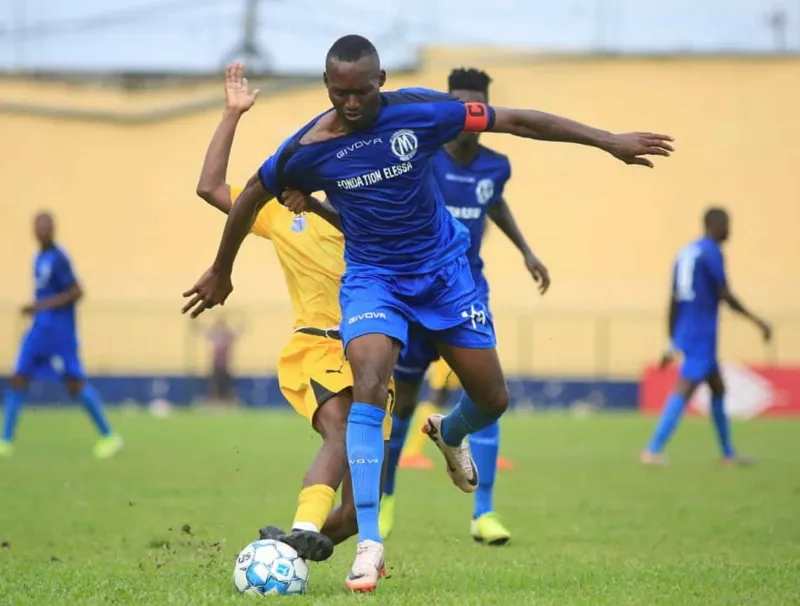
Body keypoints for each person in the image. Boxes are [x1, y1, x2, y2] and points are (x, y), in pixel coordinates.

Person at [182, 35, 673, 592]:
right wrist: (223, 270)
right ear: (326, 87)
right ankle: (369, 545)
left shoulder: (423, 114)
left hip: (444, 271)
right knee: (368, 384)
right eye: (339, 93)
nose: (350, 104)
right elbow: (243, 194)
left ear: (381, 81)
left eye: (361, 92)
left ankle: (448, 431)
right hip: (374, 281)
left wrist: (607, 140)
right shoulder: (307, 150)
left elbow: (515, 120)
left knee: (492, 399)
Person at [193, 62, 393, 563]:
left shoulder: (373, 208)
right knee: (341, 430)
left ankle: (284, 551)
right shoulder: (281, 212)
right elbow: (211, 187)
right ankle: (302, 527)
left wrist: (318, 207)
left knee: (357, 510)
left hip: (373, 359)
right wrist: (232, 114)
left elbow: (368, 238)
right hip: (318, 345)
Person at [379, 67, 550, 546]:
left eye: (472, 108)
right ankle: (386, 500)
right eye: (456, 106)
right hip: (414, 293)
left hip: (467, 292)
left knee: (488, 398)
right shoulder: (422, 156)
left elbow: (495, 203)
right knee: (404, 403)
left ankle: (484, 513)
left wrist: (526, 250)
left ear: (484, 111)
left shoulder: (496, 166)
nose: (465, 117)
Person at [642, 208, 771, 466]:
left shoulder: (685, 253)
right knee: (685, 387)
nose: (729, 231)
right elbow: (725, 294)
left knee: (717, 387)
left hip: (688, 329)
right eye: (726, 225)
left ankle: (728, 454)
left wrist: (673, 338)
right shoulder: (711, 252)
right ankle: (652, 450)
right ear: (715, 225)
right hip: (702, 331)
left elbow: (674, 299)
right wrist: (757, 321)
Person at [1, 213, 123, 458]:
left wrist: (40, 305)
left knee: (75, 384)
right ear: (33, 230)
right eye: (38, 227)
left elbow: (77, 291)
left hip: (59, 334)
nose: (42, 231)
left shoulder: (59, 257)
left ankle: (109, 435)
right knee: (18, 378)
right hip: (38, 332)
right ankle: (5, 441)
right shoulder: (38, 258)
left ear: (53, 229)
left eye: (46, 227)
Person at [195, 315, 243, 405]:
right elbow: (203, 332)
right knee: (215, 383)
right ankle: (215, 400)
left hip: (225, 365)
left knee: (226, 384)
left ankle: (227, 400)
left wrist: (240, 326)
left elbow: (238, 333)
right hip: (216, 364)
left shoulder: (227, 336)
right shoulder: (214, 335)